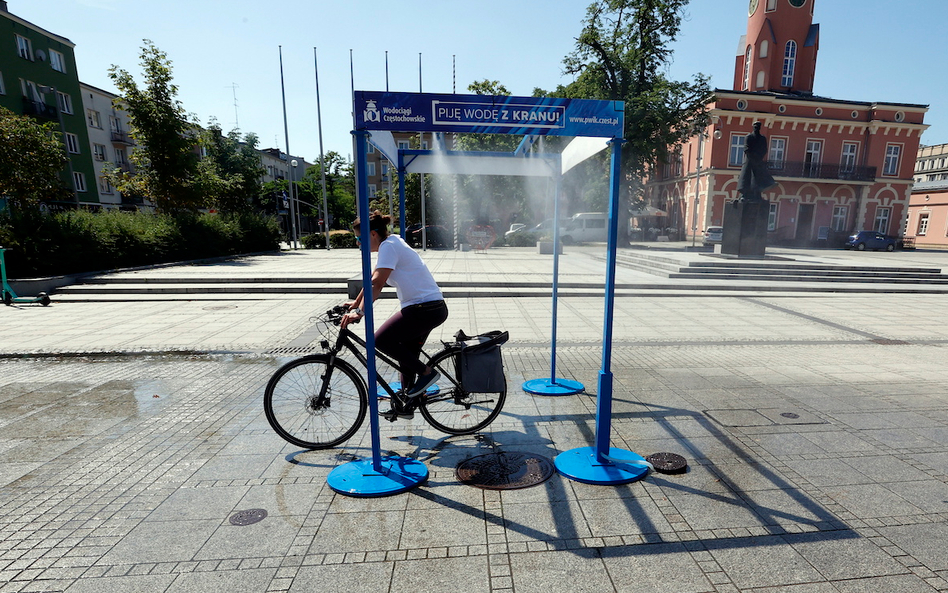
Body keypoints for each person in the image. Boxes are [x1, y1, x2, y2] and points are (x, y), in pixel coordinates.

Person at [342, 211, 448, 414]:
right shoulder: (390, 243)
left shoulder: (389, 247)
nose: (358, 243)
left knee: (380, 340)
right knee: (407, 355)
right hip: (427, 308)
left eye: (359, 238)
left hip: (424, 308)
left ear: (373, 234)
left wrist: (360, 313)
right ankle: (406, 405)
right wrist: (354, 304)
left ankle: (427, 373)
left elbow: (378, 283)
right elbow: (372, 279)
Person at [737, 121, 776, 202]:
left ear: (760, 128)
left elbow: (764, 149)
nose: (756, 128)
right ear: (753, 127)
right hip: (749, 161)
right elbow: (746, 149)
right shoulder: (749, 137)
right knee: (746, 178)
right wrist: (754, 157)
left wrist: (759, 158)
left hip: (758, 161)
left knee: (758, 179)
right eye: (755, 127)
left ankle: (757, 194)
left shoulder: (762, 138)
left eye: (758, 127)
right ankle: (744, 194)